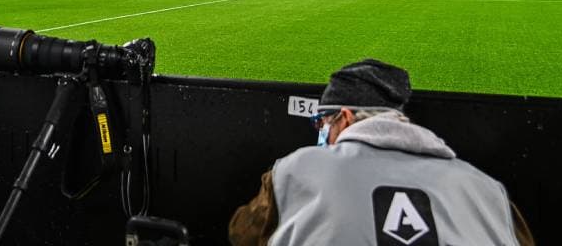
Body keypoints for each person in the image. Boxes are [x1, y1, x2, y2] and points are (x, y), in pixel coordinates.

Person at [228, 59, 534, 246]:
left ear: (344, 118)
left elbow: (242, 235)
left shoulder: (294, 171)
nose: (320, 131)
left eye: (321, 122)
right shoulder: (487, 190)